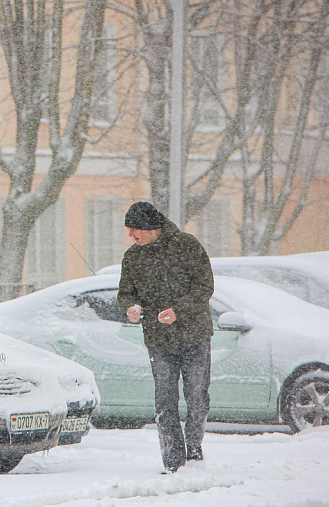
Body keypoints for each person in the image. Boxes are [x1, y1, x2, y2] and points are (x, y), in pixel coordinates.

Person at [116, 201, 214, 474]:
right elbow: (125, 292)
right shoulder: (133, 257)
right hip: (158, 341)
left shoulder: (187, 246)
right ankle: (173, 462)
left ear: (150, 228)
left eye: (134, 230)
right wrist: (130, 307)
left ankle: (194, 452)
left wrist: (178, 311)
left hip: (194, 335)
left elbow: (204, 285)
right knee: (165, 402)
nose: (131, 236)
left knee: (196, 397)